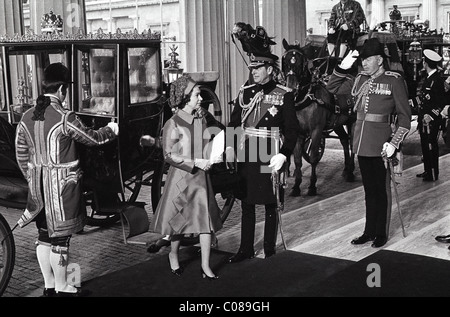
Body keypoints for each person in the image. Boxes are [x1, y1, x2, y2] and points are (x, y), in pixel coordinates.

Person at [14, 63, 119, 297]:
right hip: (62, 190)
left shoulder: (27, 116)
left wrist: (31, 175)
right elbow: (91, 139)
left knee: (43, 237)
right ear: (62, 89)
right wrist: (111, 130)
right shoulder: (64, 117)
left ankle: (50, 286)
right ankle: (63, 287)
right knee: (61, 239)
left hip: (37, 189)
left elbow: (20, 153)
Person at [327, 38, 411, 248]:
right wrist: (342, 66)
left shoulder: (394, 80)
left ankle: (381, 232)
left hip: (381, 144)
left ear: (380, 60)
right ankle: (369, 230)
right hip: (362, 143)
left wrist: (394, 142)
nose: (364, 63)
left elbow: (405, 117)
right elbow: (332, 87)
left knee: (381, 191)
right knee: (369, 191)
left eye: (368, 59)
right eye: (362, 59)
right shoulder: (360, 79)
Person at [227, 51, 300, 263]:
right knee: (246, 202)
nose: (254, 72)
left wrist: (284, 155)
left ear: (269, 70)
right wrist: (230, 148)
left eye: (258, 68)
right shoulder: (246, 92)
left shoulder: (284, 93)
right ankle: (245, 249)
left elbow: (293, 129)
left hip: (270, 153)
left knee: (270, 201)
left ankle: (269, 249)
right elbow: (234, 124)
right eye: (252, 68)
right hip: (247, 151)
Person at [150, 74, 223, 280]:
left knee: (205, 221)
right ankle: (173, 254)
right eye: (197, 95)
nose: (200, 99)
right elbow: (168, 155)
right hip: (181, 179)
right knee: (178, 222)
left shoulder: (200, 119)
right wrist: (195, 162)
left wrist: (212, 155)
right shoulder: (172, 124)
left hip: (201, 178)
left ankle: (206, 266)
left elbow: (207, 144)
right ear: (185, 97)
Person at [415, 49, 446, 182]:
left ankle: (433, 173)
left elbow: (442, 102)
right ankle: (427, 170)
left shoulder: (437, 80)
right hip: (423, 119)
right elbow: (422, 98)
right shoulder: (427, 79)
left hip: (431, 121)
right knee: (424, 145)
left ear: (425, 63)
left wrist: (432, 116)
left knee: (431, 145)